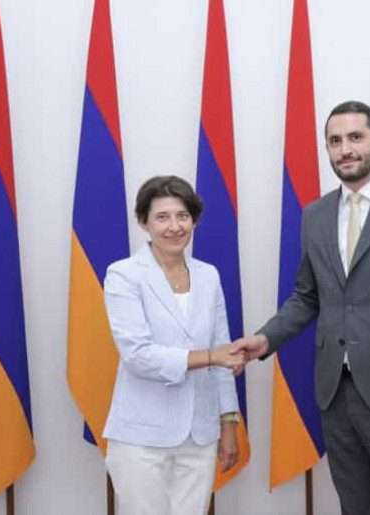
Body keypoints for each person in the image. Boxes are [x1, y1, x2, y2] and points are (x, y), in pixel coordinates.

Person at [233, 101, 370, 514]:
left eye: (355, 137)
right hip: (336, 397)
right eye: (335, 141)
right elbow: (308, 296)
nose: (345, 149)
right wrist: (266, 339)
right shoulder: (315, 215)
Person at [102, 175, 244, 515]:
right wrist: (210, 356)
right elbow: (138, 356)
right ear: (144, 222)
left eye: (182, 216)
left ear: (194, 220)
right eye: (162, 217)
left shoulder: (208, 275)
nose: (174, 226)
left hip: (201, 434)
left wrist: (229, 423)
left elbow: (223, 352)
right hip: (141, 437)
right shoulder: (123, 274)